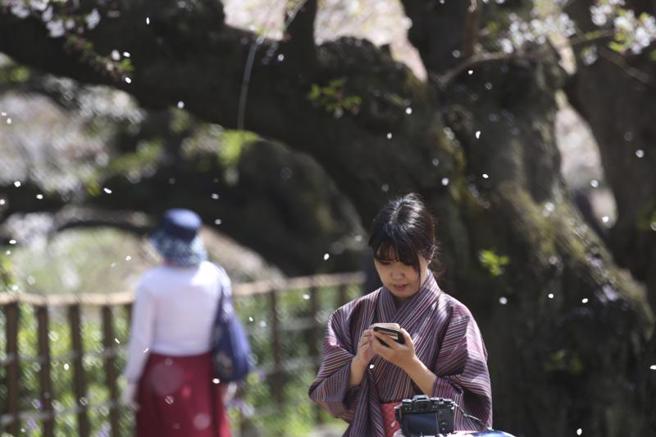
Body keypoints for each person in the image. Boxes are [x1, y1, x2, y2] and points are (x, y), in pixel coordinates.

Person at [309, 193, 492, 437]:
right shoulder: (350, 316)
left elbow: (474, 408)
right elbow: (326, 396)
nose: (396, 274)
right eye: (385, 262)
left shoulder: (455, 318)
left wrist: (411, 364)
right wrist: (359, 362)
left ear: (428, 253)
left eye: (406, 262)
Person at [122, 208, 233, 437]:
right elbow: (224, 327)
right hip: (205, 369)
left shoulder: (150, 283)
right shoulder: (215, 276)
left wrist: (132, 380)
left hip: (160, 374)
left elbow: (141, 339)